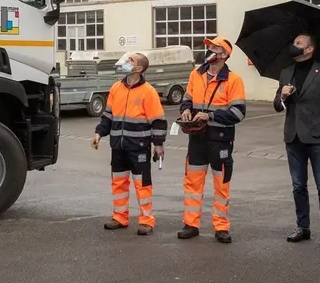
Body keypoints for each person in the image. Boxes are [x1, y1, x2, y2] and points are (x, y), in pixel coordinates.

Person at [272, 32, 320, 248]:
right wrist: (282, 96)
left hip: (318, 139)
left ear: (310, 48)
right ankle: (303, 227)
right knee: (298, 186)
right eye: (294, 42)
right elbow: (276, 105)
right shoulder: (286, 73)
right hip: (293, 138)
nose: (294, 45)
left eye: (299, 43)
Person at [177, 36, 246, 243]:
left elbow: (239, 113)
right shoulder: (195, 74)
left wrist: (211, 116)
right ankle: (191, 224)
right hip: (197, 138)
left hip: (221, 140)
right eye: (209, 47)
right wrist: (186, 111)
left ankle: (221, 227)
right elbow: (186, 100)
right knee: (192, 183)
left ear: (225, 55)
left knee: (221, 185)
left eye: (215, 48)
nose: (209, 50)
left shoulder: (234, 80)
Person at [92, 52, 167, 235]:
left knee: (143, 185)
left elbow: (157, 121)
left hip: (139, 147)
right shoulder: (116, 88)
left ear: (139, 68)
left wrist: (158, 145)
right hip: (118, 146)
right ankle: (120, 216)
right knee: (118, 183)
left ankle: (146, 220)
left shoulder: (148, 91)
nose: (125, 62)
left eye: (130, 60)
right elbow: (108, 115)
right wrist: (99, 133)